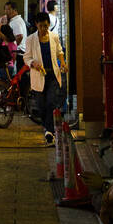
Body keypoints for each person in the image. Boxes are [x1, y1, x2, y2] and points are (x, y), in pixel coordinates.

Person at [24, 12, 68, 143]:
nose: (44, 29)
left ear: (49, 24)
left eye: (46, 26)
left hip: (53, 75)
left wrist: (63, 63)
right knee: (41, 105)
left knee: (51, 102)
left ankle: (49, 131)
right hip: (39, 75)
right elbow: (26, 57)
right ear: (36, 25)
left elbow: (59, 51)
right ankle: (46, 126)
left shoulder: (54, 37)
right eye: (41, 26)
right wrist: (33, 63)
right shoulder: (31, 39)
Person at [3, 2, 29, 101]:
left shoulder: (15, 22)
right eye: (5, 9)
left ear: (15, 10)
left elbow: (19, 36)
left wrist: (12, 48)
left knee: (18, 78)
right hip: (19, 52)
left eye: (9, 9)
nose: (7, 12)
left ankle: (20, 99)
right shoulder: (16, 20)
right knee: (19, 78)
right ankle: (20, 99)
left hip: (19, 53)